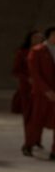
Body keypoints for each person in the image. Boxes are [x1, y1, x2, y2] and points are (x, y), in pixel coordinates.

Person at [24, 26, 55, 159]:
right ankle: (29, 145)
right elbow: (35, 74)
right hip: (42, 93)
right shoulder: (37, 51)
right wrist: (46, 90)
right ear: (49, 36)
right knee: (37, 120)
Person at [13, 30, 43, 150]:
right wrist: (27, 79)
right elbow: (16, 70)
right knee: (29, 116)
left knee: (40, 115)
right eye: (35, 37)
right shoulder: (22, 53)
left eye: (40, 38)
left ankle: (37, 140)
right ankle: (29, 142)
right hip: (27, 89)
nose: (37, 40)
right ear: (30, 38)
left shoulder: (44, 52)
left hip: (41, 89)